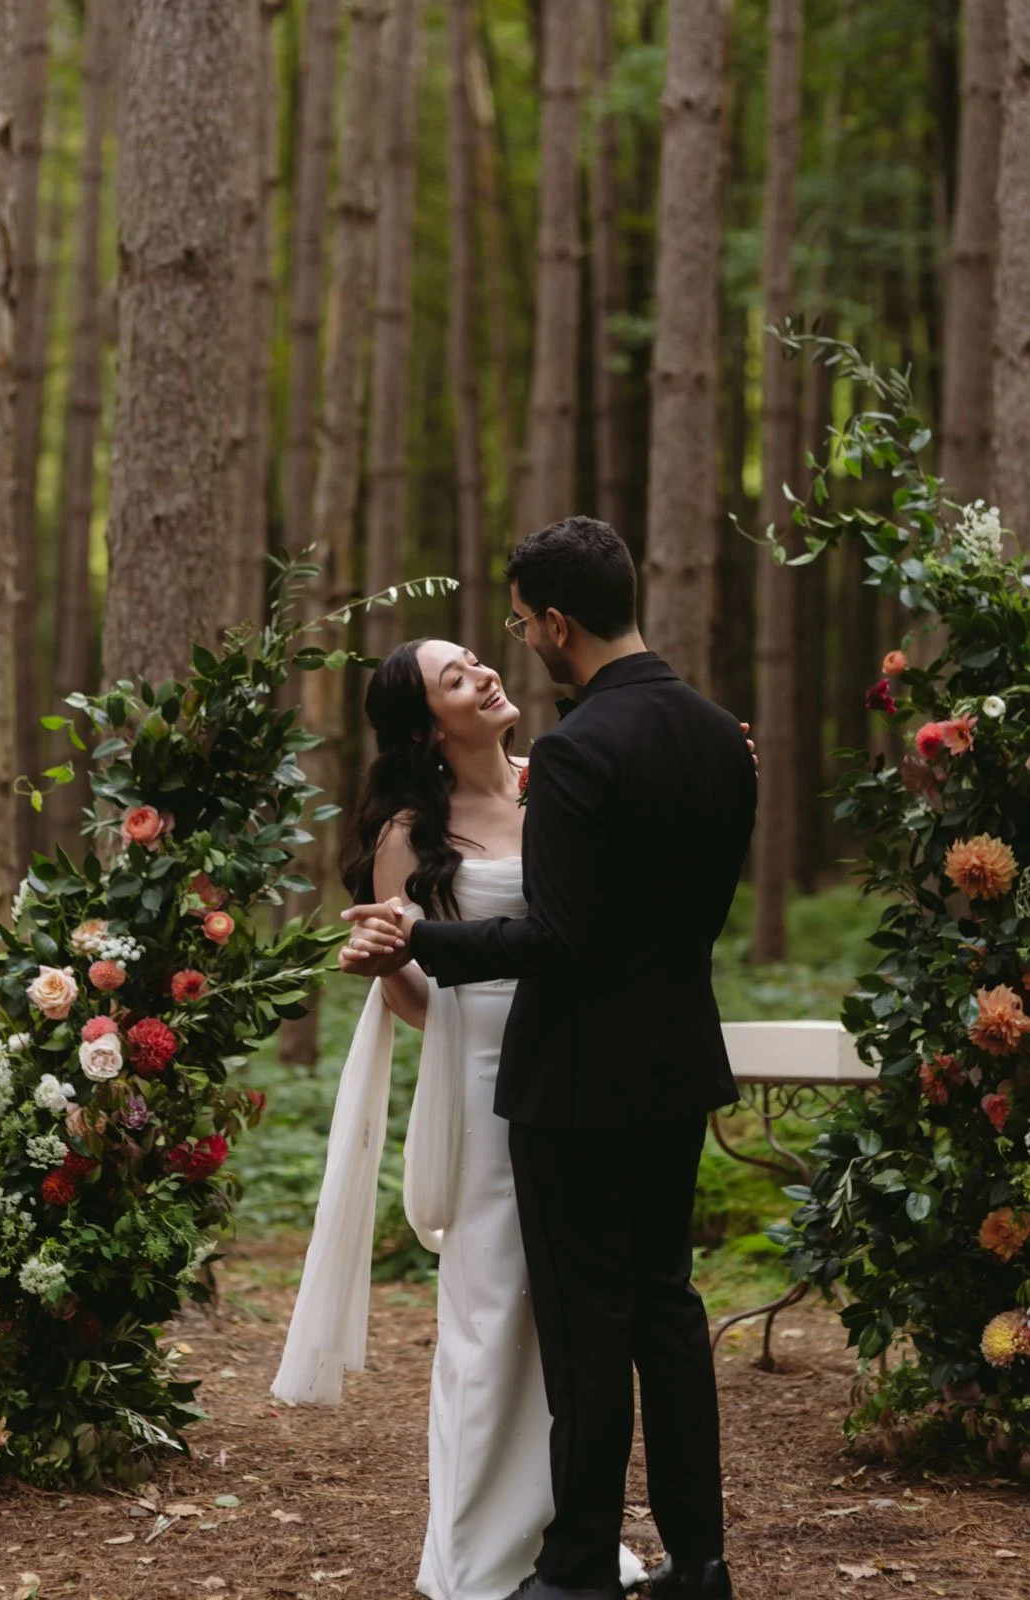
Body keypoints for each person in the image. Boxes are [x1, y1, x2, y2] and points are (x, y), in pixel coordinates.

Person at [342, 516, 758, 1600]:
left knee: (582, 1334)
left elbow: (561, 936)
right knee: (667, 1313)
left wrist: (415, 934)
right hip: (676, 1063)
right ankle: (698, 1562)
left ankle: (571, 1568)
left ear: (558, 621)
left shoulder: (573, 750)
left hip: (574, 1079)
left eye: (521, 622)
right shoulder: (720, 736)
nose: (513, 641)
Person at [273, 630, 648, 1600]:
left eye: (478, 659)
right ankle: (478, 1551)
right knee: (490, 1308)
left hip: (573, 1064)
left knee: (563, 1317)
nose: (483, 673)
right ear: (424, 725)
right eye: (455, 676)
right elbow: (400, 977)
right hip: (480, 1076)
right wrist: (431, 1007)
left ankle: (563, 1539)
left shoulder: (548, 780)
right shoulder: (408, 830)